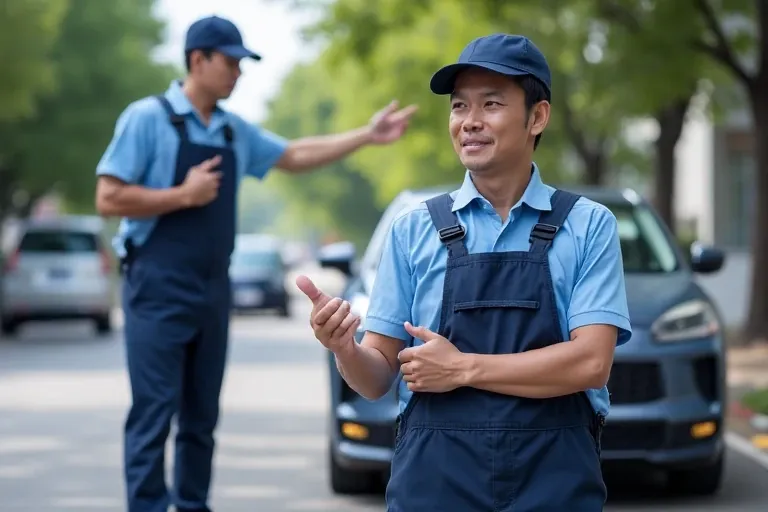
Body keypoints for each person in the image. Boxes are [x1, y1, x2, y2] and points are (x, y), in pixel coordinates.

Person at [297, 33, 631, 511]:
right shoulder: (412, 230)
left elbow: (590, 363)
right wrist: (344, 347)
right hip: (436, 483)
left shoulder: (588, 225)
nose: (469, 123)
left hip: (554, 480)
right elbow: (375, 379)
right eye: (459, 107)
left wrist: (462, 369)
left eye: (491, 104)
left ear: (537, 117)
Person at [94, 15, 416, 512]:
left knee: (201, 415)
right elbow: (108, 197)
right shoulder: (147, 118)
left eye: (242, 65)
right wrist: (183, 194)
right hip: (156, 284)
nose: (238, 74)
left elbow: (294, 154)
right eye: (230, 62)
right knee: (154, 411)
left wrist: (367, 136)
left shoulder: (231, 130)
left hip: (211, 287)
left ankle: (193, 505)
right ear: (197, 60)